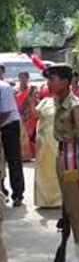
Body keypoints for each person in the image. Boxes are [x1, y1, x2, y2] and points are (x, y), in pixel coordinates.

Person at [45, 64, 79, 262]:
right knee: (70, 210)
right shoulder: (58, 102)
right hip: (63, 158)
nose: (49, 83)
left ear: (65, 81)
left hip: (75, 161)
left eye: (53, 79)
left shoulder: (76, 106)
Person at [33, 88, 62, 208]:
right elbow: (35, 114)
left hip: (58, 144)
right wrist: (31, 101)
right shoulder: (45, 102)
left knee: (57, 172)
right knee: (43, 173)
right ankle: (44, 201)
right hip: (44, 144)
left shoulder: (72, 105)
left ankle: (59, 201)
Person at [0, 70, 24, 206]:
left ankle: (18, 194)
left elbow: (7, 113)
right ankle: (2, 191)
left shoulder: (4, 88)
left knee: (13, 159)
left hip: (9, 124)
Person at [15, 71, 37, 160]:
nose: (23, 80)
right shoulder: (15, 90)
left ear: (28, 78)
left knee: (29, 135)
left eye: (24, 78)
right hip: (18, 115)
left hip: (29, 116)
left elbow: (34, 102)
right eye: (21, 78)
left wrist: (27, 113)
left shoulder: (32, 90)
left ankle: (29, 155)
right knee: (20, 135)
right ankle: (22, 155)